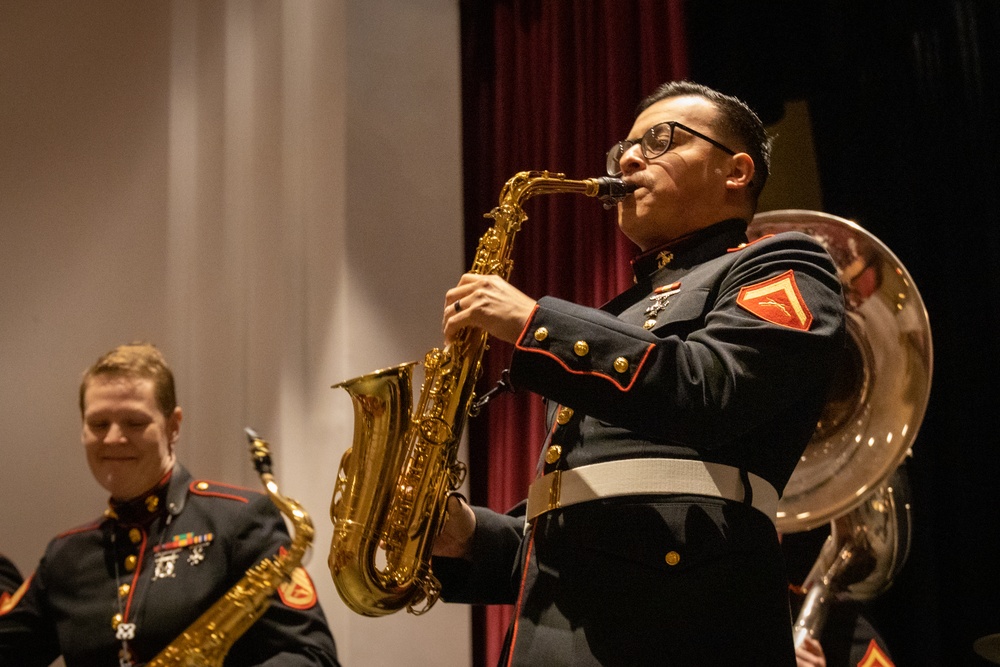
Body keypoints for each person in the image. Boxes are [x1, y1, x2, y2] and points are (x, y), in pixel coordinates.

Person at [432, 81, 846, 665]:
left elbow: (710, 388)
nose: (628, 157)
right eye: (623, 147)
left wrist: (534, 322)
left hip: (686, 624)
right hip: (554, 636)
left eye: (659, 139)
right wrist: (470, 535)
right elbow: (575, 523)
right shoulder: (613, 315)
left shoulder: (782, 263)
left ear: (736, 171)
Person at [0, 343, 340, 666]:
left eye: (134, 422)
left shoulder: (238, 521)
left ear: (173, 426)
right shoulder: (66, 557)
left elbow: (313, 657)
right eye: (98, 424)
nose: (113, 438)